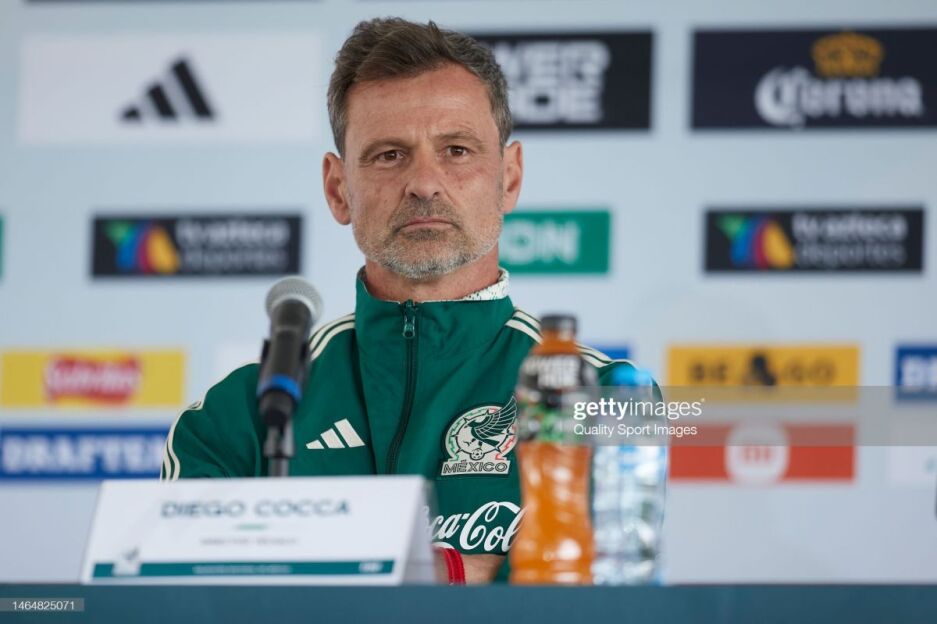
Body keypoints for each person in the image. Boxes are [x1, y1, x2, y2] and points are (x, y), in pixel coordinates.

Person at [161, 17, 643, 584]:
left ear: (509, 179)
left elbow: (612, 598)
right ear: (338, 189)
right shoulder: (241, 414)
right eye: (389, 155)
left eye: (457, 150)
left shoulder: (606, 397)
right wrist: (472, 572)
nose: (424, 183)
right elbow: (182, 601)